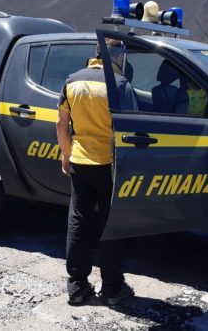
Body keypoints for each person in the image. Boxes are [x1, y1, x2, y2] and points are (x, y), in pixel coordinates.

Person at [56, 39, 137, 306]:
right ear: (115, 55)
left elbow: (61, 124)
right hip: (110, 165)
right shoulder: (119, 84)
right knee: (109, 225)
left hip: (80, 161)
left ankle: (77, 287)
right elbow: (131, 129)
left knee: (78, 221)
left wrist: (66, 155)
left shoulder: (72, 81)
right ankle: (113, 287)